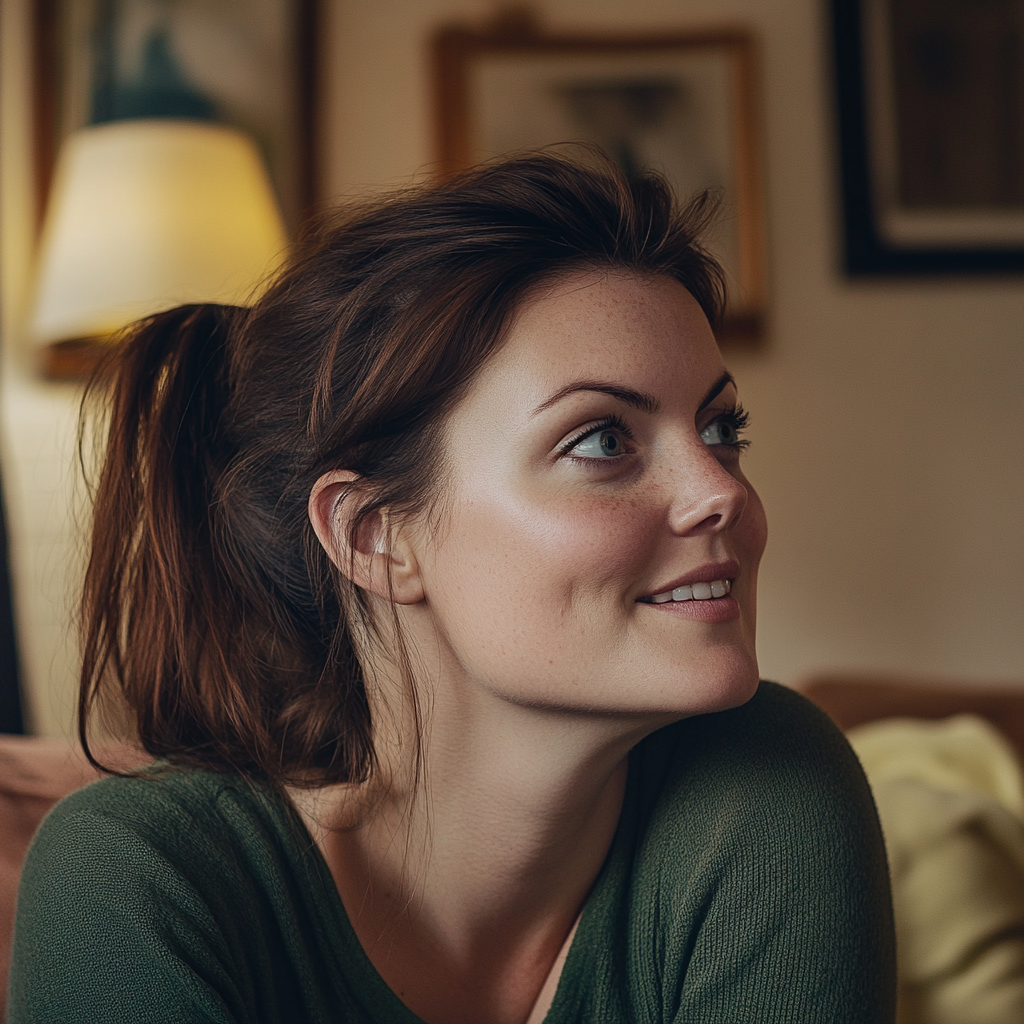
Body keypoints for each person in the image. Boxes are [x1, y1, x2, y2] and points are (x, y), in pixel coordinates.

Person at [7, 151, 895, 1023]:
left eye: (721, 428)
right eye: (602, 441)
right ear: (374, 535)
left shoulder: (768, 782)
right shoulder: (138, 879)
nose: (724, 491)